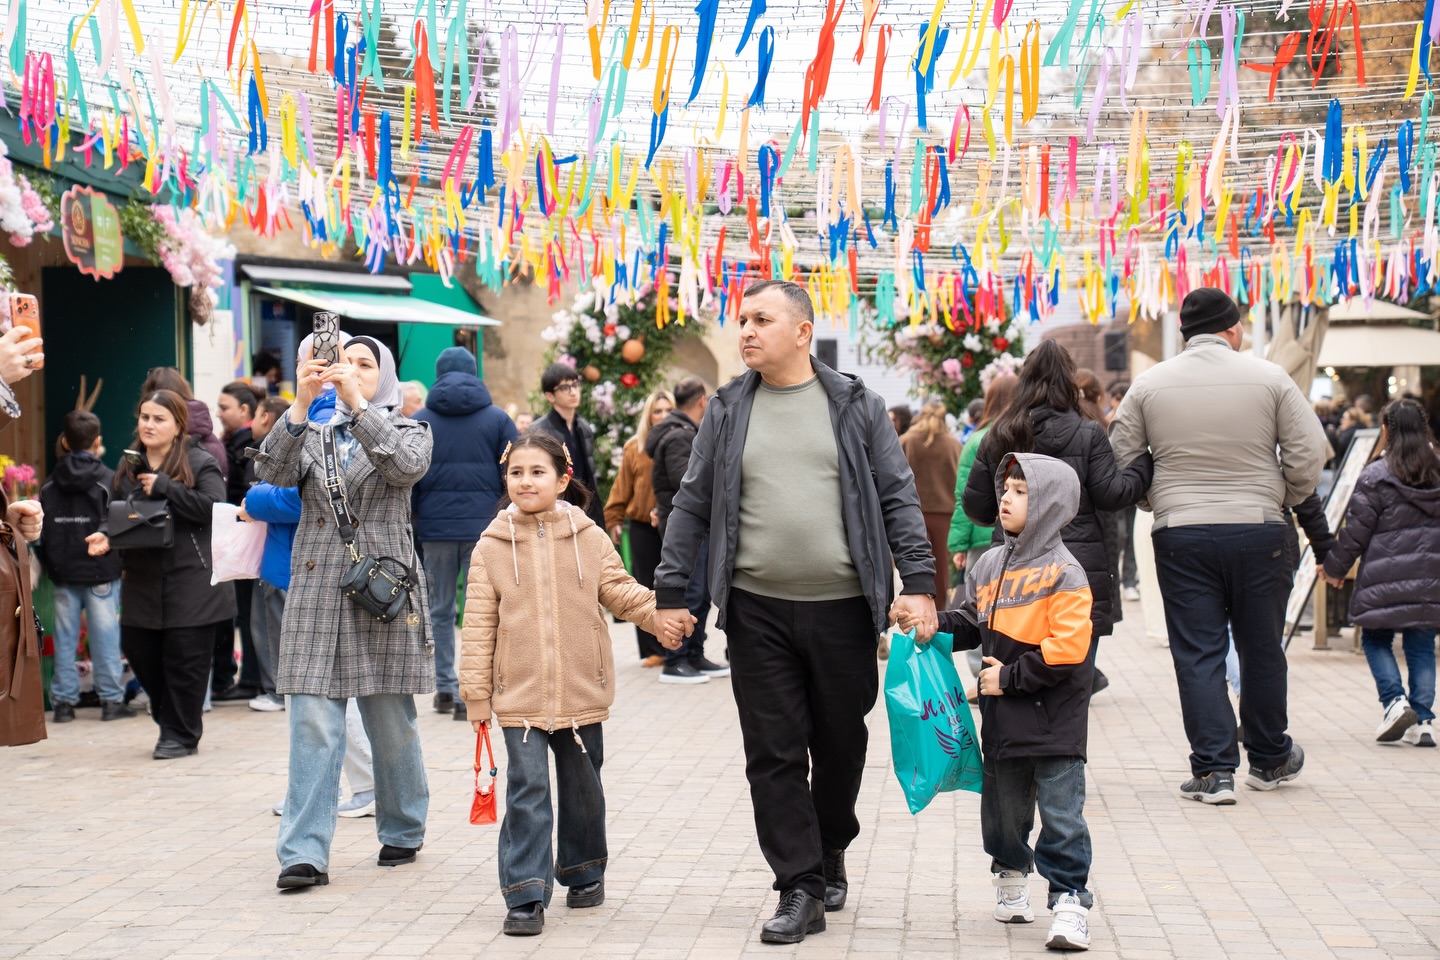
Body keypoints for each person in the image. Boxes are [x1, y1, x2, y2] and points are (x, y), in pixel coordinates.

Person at [653, 280, 937, 944]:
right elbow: (692, 503)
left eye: (762, 319)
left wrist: (918, 582)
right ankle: (799, 885)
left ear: (803, 331)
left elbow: (898, 495)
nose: (746, 330)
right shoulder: (726, 409)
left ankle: (830, 843)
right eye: (742, 319)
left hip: (842, 611)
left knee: (840, 744)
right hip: (756, 612)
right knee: (773, 752)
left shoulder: (854, 405)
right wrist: (669, 593)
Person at [459, 433, 685, 936]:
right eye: (516, 472)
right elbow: (477, 624)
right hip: (518, 694)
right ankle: (525, 893)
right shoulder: (492, 546)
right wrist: (476, 694)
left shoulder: (589, 537)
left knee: (583, 788)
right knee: (527, 789)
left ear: (563, 479)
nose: (525, 481)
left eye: (537, 472)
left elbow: (622, 591)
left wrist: (661, 616)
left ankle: (584, 871)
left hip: (582, 687)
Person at [1110, 288, 1328, 803]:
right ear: (1233, 330)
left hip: (1182, 531)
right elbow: (1309, 452)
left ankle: (1213, 770)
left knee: (1198, 650)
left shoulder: (1148, 385)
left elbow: (1122, 463)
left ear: (1186, 333)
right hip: (1260, 528)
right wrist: (1283, 493)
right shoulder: (1271, 378)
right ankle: (1270, 758)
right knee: (1261, 646)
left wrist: (1157, 501)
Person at [254, 333, 434, 891]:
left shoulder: (408, 428)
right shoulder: (309, 429)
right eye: (341, 363)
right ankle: (303, 853)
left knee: (389, 717)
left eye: (365, 365)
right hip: (313, 592)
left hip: (381, 590)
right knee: (311, 719)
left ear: (382, 377)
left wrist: (358, 405)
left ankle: (403, 825)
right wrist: (302, 403)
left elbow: (404, 470)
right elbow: (271, 474)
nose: (349, 371)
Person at [899, 453, 1097, 952]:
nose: (1006, 498)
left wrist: (1009, 678)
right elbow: (971, 620)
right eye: (1005, 489)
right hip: (1004, 720)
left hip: (1056, 723)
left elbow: (1069, 652)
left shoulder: (1066, 574)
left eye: (1021, 492)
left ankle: (1070, 898)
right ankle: (1009, 871)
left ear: (1050, 504)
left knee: (1062, 815)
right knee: (1003, 810)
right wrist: (934, 624)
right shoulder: (988, 564)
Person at [963, 341, 1153, 696]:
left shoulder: (999, 433)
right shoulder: (1088, 432)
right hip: (1076, 569)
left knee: (1009, 680)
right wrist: (1144, 465)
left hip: (1013, 573)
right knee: (1070, 680)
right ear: (1069, 382)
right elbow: (1112, 495)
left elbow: (976, 508)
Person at [85, 390, 235, 759]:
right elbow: (121, 509)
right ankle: (173, 723)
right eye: (145, 417)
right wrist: (105, 532)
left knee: (186, 659)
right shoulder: (129, 464)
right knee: (140, 650)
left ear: (178, 425)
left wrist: (166, 487)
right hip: (141, 577)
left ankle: (180, 735)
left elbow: (214, 507)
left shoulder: (200, 461)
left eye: (159, 419)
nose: (149, 425)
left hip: (192, 578)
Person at [1320, 398, 1439, 748]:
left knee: (1375, 639)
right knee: (1420, 645)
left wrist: (1334, 569)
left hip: (1384, 577)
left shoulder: (1376, 475)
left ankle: (1394, 702)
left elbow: (1355, 532)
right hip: (1431, 577)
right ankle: (1424, 721)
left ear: (1386, 430)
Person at [411, 347, 519, 722]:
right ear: (474, 373)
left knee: (439, 610)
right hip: (484, 532)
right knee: (482, 612)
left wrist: (415, 524)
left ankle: (445, 687)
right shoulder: (498, 419)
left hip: (435, 531)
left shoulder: (419, 420)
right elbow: (515, 473)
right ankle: (475, 689)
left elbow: (408, 480)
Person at [38, 411, 129, 723]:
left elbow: (43, 531)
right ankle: (112, 702)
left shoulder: (50, 483)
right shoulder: (109, 479)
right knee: (105, 635)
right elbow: (117, 524)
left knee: (65, 635)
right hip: (100, 570)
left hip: (63, 572)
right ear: (98, 442)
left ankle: (62, 704)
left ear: (64, 442)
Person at [648, 377, 728, 684]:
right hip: (685, 529)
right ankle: (676, 658)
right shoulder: (680, 437)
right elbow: (691, 484)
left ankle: (694, 654)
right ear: (701, 402)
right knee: (690, 593)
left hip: (697, 527)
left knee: (701, 594)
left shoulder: (681, 433)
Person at [949, 374, 1020, 677]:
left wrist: (957, 545)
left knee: (979, 607)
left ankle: (981, 673)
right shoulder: (1026, 433)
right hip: (1019, 537)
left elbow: (965, 497)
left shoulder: (978, 440)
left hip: (982, 539)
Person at [604, 388, 675, 666]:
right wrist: (614, 519)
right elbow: (622, 487)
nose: (663, 415)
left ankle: (676, 647)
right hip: (643, 528)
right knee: (645, 587)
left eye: (668, 410)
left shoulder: (684, 442)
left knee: (674, 586)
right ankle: (652, 650)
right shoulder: (636, 447)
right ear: (649, 416)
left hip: (674, 527)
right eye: (658, 411)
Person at [239, 397, 295, 712]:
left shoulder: (299, 447)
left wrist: (255, 496)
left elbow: (289, 500)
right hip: (283, 555)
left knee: (276, 628)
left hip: (285, 557)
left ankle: (278, 692)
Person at [217, 380, 263, 703]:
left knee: (249, 610)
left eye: (224, 408)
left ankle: (252, 678)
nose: (218, 414)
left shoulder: (247, 445)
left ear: (244, 411)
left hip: (246, 534)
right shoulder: (231, 441)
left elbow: (248, 491)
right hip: (241, 533)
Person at [899, 400, 962, 601]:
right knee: (942, 569)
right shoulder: (953, 444)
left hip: (912, 512)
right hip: (945, 514)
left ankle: (914, 612)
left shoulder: (906, 440)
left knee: (913, 565)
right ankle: (940, 616)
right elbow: (959, 479)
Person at [530, 363, 606, 528]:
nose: (573, 391)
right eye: (564, 387)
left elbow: (589, 476)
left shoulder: (583, 426)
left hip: (585, 509)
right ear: (550, 396)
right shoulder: (539, 430)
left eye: (575, 385)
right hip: (555, 510)